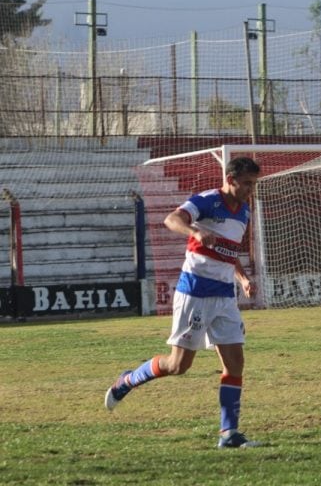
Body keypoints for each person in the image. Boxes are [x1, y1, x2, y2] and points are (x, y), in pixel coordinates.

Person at [104, 156, 262, 449]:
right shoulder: (207, 201)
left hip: (225, 295)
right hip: (195, 292)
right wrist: (195, 231)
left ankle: (229, 434)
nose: (250, 190)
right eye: (247, 184)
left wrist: (242, 278)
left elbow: (230, 250)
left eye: (254, 184)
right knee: (178, 365)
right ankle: (126, 381)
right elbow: (171, 219)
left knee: (236, 362)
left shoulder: (243, 211)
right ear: (230, 179)